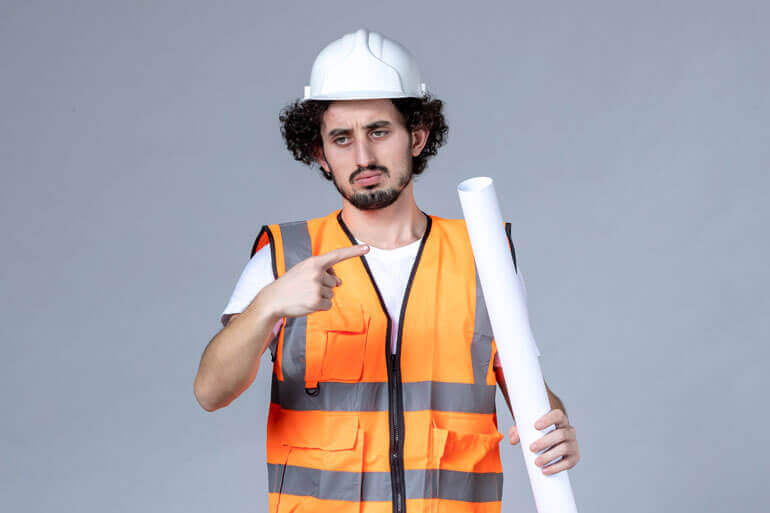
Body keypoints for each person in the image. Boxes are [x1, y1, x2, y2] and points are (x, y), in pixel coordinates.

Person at [194, 28, 580, 513]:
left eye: (379, 132)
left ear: (416, 137)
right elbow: (210, 392)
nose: (363, 157)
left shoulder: (483, 255)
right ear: (320, 153)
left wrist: (557, 426)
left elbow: (529, 391)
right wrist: (269, 304)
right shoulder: (285, 257)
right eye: (342, 139)